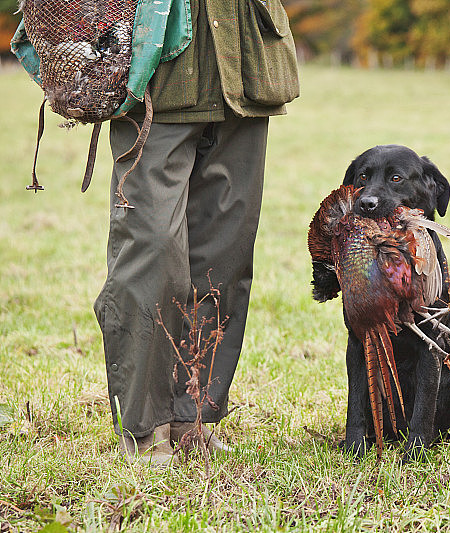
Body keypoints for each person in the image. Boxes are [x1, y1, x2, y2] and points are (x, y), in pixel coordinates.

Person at [12, 0, 299, 466]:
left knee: (226, 255)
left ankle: (193, 417)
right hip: (155, 66)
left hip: (241, 57)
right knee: (151, 248)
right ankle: (144, 428)